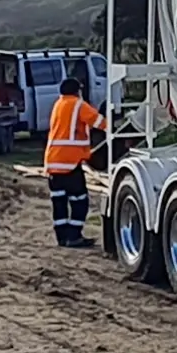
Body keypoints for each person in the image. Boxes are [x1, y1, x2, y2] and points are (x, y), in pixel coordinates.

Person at [42, 67, 104, 247]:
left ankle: (62, 238)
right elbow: (97, 121)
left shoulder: (58, 105)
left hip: (53, 164)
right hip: (69, 164)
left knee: (59, 202)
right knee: (80, 201)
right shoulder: (78, 104)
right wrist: (115, 129)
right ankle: (74, 236)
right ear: (78, 90)